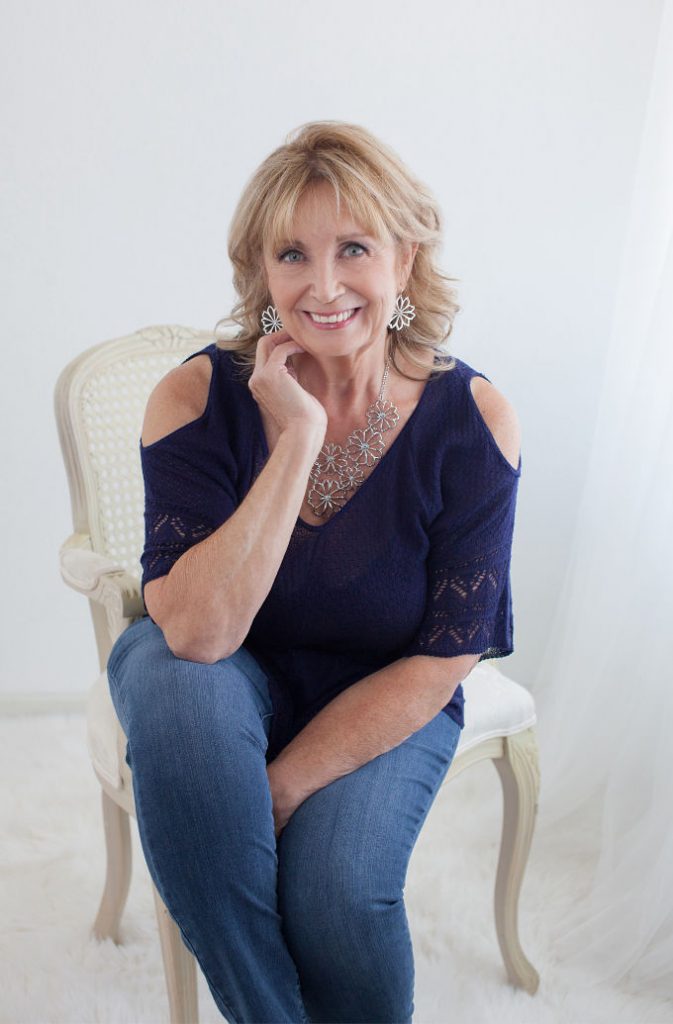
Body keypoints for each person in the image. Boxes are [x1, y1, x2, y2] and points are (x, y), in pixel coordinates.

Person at [106, 120, 522, 1024]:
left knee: (337, 895)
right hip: (218, 676)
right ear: (261, 271)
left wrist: (285, 783)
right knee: (171, 679)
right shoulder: (195, 397)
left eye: (354, 249)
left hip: (386, 691)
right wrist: (295, 435)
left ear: (406, 259)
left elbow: (444, 658)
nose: (323, 286)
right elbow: (199, 632)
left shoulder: (471, 419)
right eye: (292, 254)